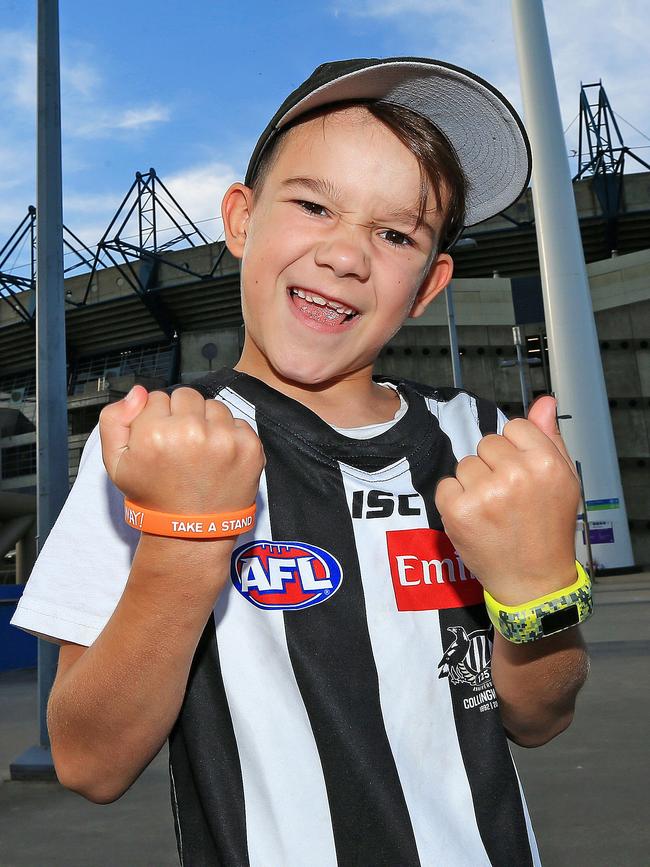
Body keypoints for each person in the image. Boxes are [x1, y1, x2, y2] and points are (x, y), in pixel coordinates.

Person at [12, 57, 591, 866]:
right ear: (241, 220)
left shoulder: (491, 449)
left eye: (395, 234)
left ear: (429, 284)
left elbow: (541, 715)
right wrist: (184, 543)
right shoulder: (150, 445)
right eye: (315, 205)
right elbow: (87, 759)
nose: (346, 256)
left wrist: (542, 595)